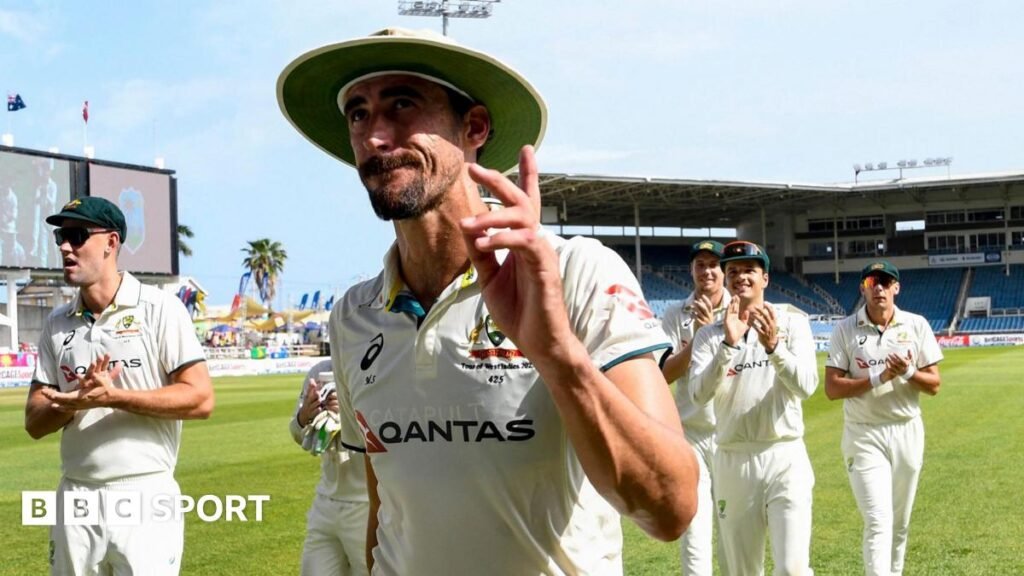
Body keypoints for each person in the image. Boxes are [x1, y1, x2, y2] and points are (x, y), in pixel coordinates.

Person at [278, 27, 698, 575]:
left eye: (402, 105)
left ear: (474, 127)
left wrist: (557, 356)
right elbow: (386, 507)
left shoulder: (575, 272)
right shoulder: (354, 315)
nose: (375, 136)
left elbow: (670, 510)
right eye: (358, 114)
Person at [24, 196, 214, 575]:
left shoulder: (160, 309)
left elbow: (200, 398)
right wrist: (74, 402)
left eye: (77, 236)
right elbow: (33, 420)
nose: (64, 246)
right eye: (62, 236)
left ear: (111, 243)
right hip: (76, 496)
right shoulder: (57, 322)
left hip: (144, 495)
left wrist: (115, 397)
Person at [688, 240, 817, 575]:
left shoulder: (792, 324)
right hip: (733, 458)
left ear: (765, 279)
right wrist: (728, 346)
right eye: (733, 271)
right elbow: (698, 395)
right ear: (727, 279)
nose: (740, 277)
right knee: (740, 570)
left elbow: (806, 385)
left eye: (749, 270)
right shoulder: (709, 336)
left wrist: (774, 347)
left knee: (792, 569)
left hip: (784, 455)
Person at [824, 261, 942, 576]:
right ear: (863, 287)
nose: (879, 287)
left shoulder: (916, 325)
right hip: (863, 433)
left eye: (886, 281)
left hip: (906, 430)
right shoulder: (845, 329)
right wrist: (878, 377)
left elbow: (934, 385)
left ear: (896, 288)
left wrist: (907, 372)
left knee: (899, 523)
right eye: (872, 281)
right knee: (878, 520)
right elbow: (832, 389)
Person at [660, 239, 730, 575]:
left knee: (733, 531)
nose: (707, 271)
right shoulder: (676, 314)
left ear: (724, 271)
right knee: (695, 531)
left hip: (733, 432)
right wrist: (699, 337)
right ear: (691, 270)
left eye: (713, 264)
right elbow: (663, 373)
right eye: (700, 264)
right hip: (691, 434)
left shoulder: (741, 308)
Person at [290, 359, 369, 576]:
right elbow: (297, 433)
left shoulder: (380, 366)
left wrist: (349, 413)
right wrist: (304, 416)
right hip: (325, 503)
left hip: (367, 505)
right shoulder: (320, 371)